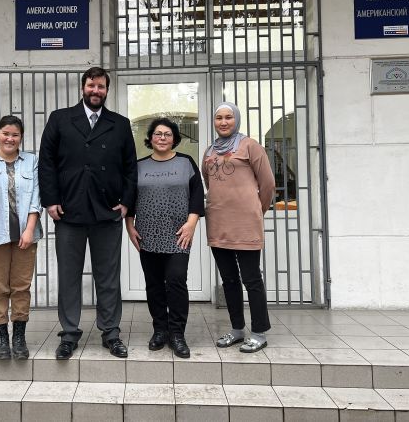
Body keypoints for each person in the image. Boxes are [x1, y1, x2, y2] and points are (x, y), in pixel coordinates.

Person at [38, 66, 138, 360]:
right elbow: (47, 163)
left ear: (107, 90)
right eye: (92, 86)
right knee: (69, 276)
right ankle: (69, 334)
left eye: (102, 87)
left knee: (108, 277)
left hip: (107, 211)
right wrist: (50, 200)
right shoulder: (60, 119)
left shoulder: (119, 124)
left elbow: (131, 167)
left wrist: (126, 202)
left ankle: (111, 333)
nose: (96, 91)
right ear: (83, 87)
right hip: (68, 211)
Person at [125, 118, 204, 359]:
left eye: (167, 134)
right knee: (154, 284)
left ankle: (177, 334)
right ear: (150, 138)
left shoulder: (185, 162)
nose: (162, 138)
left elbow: (197, 194)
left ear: (174, 138)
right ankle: (160, 330)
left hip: (179, 234)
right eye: (158, 134)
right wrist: (130, 227)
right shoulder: (138, 166)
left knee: (176, 280)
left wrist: (191, 223)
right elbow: (129, 199)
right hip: (147, 233)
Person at [202, 102, 275, 353]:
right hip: (218, 223)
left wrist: (256, 210)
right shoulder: (209, 151)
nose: (223, 122)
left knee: (251, 279)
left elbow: (267, 185)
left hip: (245, 224)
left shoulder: (250, 146)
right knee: (229, 279)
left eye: (228, 118)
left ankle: (259, 332)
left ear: (237, 120)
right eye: (219, 118)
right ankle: (236, 330)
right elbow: (209, 182)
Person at [0, 115, 42, 360]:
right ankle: (1, 336)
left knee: (21, 287)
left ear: (20, 137)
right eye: (5, 134)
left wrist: (29, 229)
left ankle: (19, 336)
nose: (10, 138)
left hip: (25, 234)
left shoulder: (31, 161)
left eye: (15, 134)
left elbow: (37, 197)